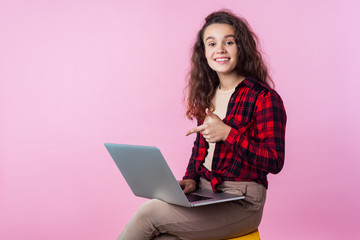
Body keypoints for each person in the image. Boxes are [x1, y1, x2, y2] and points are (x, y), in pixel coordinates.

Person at [118, 9, 286, 240]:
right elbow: (200, 149)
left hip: (244, 202)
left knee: (149, 213)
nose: (220, 49)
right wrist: (190, 179)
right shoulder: (208, 94)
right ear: (204, 52)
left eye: (229, 42)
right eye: (211, 43)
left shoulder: (264, 97)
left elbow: (274, 161)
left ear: (242, 48)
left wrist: (228, 133)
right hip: (205, 191)